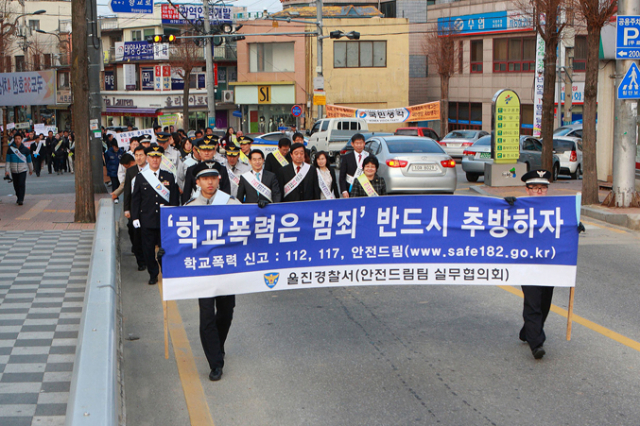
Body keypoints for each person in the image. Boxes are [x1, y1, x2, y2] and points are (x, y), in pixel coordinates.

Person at [184, 163, 240, 382]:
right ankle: (215, 362)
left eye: (213, 178)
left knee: (226, 312)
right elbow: (180, 238)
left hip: (227, 267)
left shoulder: (231, 203)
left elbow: (252, 225)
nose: (209, 182)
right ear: (197, 182)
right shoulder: (190, 206)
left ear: (219, 180)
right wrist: (166, 253)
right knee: (206, 315)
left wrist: (262, 208)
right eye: (204, 179)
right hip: (203, 270)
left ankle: (217, 344)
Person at [518, 169, 554, 360]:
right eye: (535, 188)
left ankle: (527, 331)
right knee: (533, 302)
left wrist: (575, 227)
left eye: (543, 188)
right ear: (527, 190)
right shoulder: (517, 207)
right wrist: (507, 208)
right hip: (527, 264)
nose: (539, 192)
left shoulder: (556, 209)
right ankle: (536, 343)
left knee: (544, 303)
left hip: (550, 264)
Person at [131, 146, 180, 285]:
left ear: (161, 159)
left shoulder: (169, 176)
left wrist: (174, 215)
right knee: (148, 250)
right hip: (147, 220)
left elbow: (174, 199)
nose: (155, 160)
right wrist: (135, 217)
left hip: (164, 221)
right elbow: (136, 199)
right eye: (152, 157)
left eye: (157, 157)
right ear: (147, 158)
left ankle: (166, 272)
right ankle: (153, 273)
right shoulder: (141, 177)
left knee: (166, 249)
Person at [181, 138, 231, 204]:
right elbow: (186, 194)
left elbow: (226, 192)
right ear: (199, 151)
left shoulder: (221, 169)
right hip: (198, 207)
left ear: (214, 151)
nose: (206, 153)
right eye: (204, 150)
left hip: (218, 206)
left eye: (209, 150)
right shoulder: (192, 170)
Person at [123, 146, 148, 272]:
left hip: (148, 208)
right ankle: (141, 261)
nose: (138, 157)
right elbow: (127, 191)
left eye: (141, 155)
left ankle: (148, 259)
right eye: (136, 155)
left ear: (146, 156)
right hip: (134, 208)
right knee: (135, 235)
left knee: (147, 235)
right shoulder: (131, 171)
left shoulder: (151, 170)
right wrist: (126, 209)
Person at [4, 133, 33, 205]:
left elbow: (29, 160)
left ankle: (21, 199)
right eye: (16, 139)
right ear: (14, 139)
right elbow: (7, 161)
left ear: (21, 139)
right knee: (16, 185)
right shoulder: (10, 150)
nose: (17, 140)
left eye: (19, 139)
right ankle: (18, 196)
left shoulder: (25, 150)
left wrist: (31, 169)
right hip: (13, 170)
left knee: (21, 184)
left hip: (22, 170)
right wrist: (7, 171)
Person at [339, 133, 369, 198]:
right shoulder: (346, 158)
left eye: (361, 143)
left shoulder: (369, 156)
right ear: (352, 144)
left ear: (364, 143)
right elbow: (342, 176)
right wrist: (344, 190)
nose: (359, 145)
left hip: (366, 188)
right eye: (357, 143)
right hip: (350, 189)